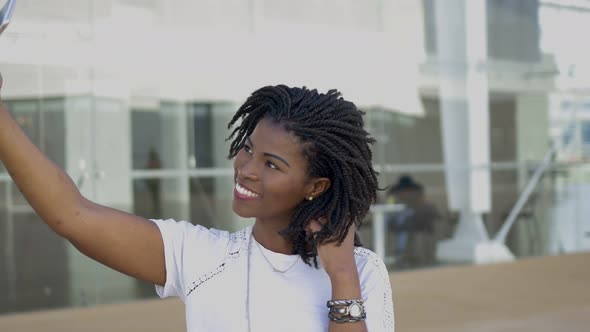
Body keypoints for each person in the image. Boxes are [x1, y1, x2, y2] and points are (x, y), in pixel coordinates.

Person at [0, 75, 394, 331]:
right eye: (247, 149)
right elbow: (72, 215)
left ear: (315, 185)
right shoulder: (202, 257)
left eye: (271, 164)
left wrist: (342, 278)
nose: (246, 169)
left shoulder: (362, 272)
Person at [387, 175, 440, 267]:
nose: (405, 192)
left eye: (407, 190)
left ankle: (400, 254)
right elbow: (390, 203)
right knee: (389, 222)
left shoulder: (418, 201)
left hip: (414, 223)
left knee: (402, 228)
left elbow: (422, 210)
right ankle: (397, 253)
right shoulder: (397, 198)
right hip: (401, 222)